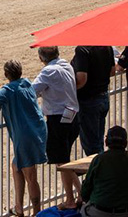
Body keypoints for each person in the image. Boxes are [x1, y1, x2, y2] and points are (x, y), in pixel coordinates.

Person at [0, 59, 47, 217]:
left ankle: (37, 213)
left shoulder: (8, 90)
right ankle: (19, 207)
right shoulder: (26, 83)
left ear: (6, 74)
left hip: (25, 135)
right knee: (16, 166)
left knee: (30, 175)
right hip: (38, 129)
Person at [32, 46, 82, 210]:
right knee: (64, 159)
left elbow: (32, 91)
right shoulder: (66, 65)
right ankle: (80, 194)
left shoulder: (49, 71)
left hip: (58, 118)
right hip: (72, 115)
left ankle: (69, 199)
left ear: (41, 58)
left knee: (61, 161)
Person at [79, 126, 128, 217]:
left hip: (99, 211)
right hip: (126, 212)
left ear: (106, 142)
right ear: (125, 143)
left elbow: (86, 188)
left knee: (82, 210)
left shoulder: (99, 159)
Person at [72, 46, 116, 156]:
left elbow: (82, 79)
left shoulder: (82, 49)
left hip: (88, 101)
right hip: (103, 96)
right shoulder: (107, 46)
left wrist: (69, 90)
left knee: (92, 146)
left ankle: (99, 171)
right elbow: (112, 71)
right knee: (98, 140)